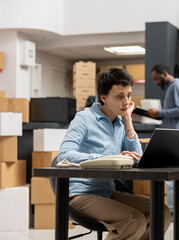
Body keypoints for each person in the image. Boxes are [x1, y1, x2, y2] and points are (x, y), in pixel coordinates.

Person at [58, 68, 171, 240]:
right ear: (104, 98)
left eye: (129, 95)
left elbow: (137, 157)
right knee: (134, 221)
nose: (126, 102)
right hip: (80, 194)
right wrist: (104, 159)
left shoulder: (120, 121)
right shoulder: (84, 118)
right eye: (120, 96)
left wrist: (128, 122)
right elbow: (64, 155)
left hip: (107, 192)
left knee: (161, 212)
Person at [147, 64, 179, 219]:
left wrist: (160, 112)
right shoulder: (172, 87)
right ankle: (178, 209)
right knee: (173, 175)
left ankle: (175, 210)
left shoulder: (176, 85)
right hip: (172, 134)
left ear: (164, 74)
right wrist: (158, 116)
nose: (156, 83)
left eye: (157, 79)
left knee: (171, 175)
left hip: (176, 136)